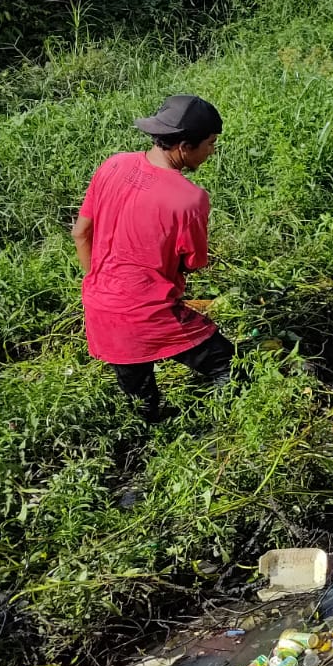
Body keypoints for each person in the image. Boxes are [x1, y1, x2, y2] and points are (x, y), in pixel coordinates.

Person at [72, 93, 233, 421]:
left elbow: (80, 233)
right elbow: (193, 263)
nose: (212, 151)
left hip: (99, 309)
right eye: (211, 143)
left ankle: (153, 432)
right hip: (148, 313)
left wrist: (97, 284)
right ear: (184, 146)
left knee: (142, 402)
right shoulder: (190, 199)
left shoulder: (113, 164)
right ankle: (221, 429)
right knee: (228, 364)